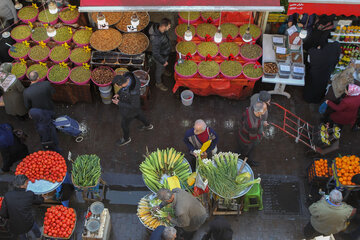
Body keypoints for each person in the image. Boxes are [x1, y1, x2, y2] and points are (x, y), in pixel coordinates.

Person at [112, 72, 153, 146]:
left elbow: (134, 106)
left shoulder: (133, 92)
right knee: (139, 115)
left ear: (121, 84)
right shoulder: (129, 77)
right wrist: (118, 93)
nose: (116, 86)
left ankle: (126, 139)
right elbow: (123, 89)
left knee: (124, 125)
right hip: (136, 110)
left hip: (130, 111)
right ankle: (148, 125)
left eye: (117, 85)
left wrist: (119, 103)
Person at [0, 175, 44, 240]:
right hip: (28, 222)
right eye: (27, 182)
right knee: (33, 225)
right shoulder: (29, 194)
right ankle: (38, 236)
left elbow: (3, 214)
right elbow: (39, 201)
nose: (28, 184)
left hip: (15, 225)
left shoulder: (8, 195)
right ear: (22, 185)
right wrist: (42, 197)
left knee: (21, 235)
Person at [238, 102, 267, 166]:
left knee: (241, 147)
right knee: (248, 150)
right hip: (246, 139)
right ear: (259, 112)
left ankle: (240, 153)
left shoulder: (250, 108)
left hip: (241, 132)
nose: (266, 111)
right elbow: (253, 138)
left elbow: (242, 118)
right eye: (264, 110)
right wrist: (260, 135)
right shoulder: (253, 125)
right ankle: (248, 161)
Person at [149, 18, 172, 91]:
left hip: (164, 52)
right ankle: (158, 83)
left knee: (162, 67)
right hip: (160, 57)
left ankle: (163, 70)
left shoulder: (160, 29)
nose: (170, 27)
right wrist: (163, 61)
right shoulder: (156, 39)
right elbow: (155, 53)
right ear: (164, 26)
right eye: (169, 26)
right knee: (159, 70)